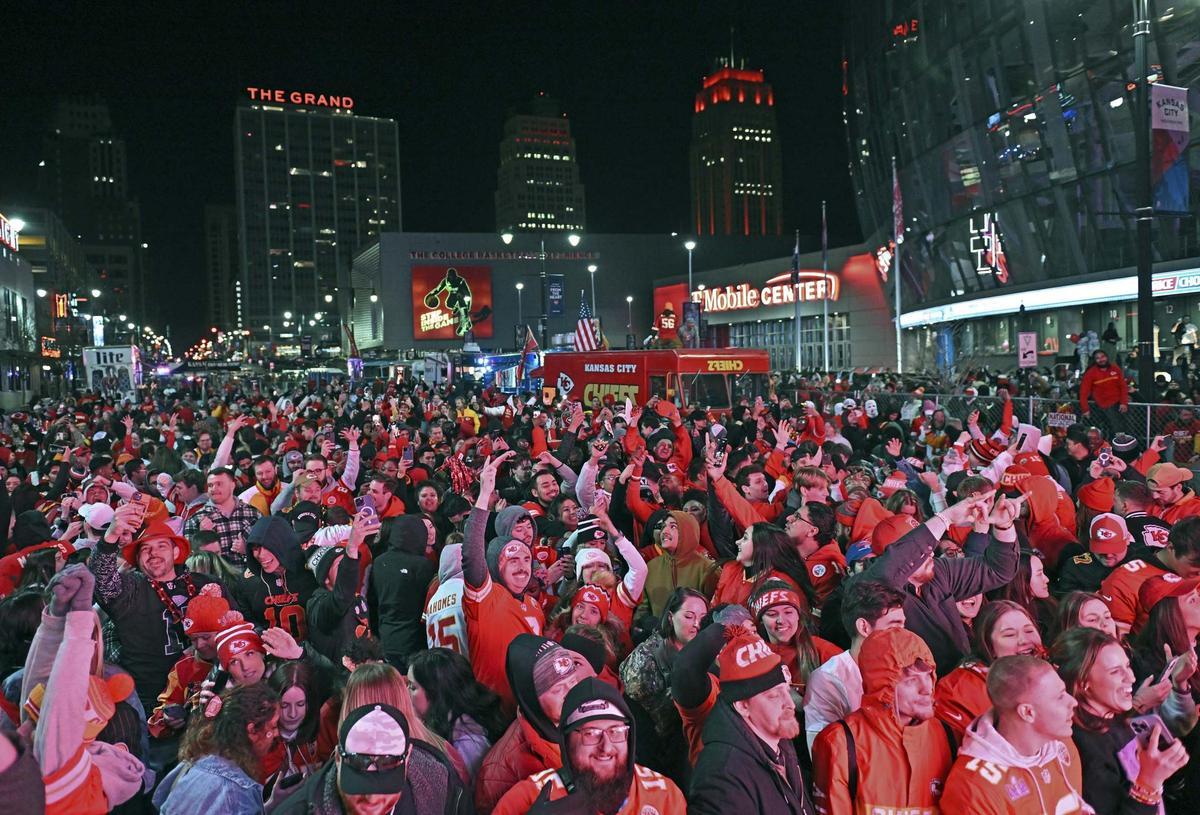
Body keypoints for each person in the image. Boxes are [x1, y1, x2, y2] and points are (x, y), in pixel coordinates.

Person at [855, 491, 1021, 675]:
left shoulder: (938, 570)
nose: (931, 553)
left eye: (930, 547)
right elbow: (883, 575)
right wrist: (945, 518)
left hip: (964, 680)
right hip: (921, 693)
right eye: (921, 551)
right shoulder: (872, 589)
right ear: (899, 558)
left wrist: (1004, 526)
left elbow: (998, 570)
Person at [89, 507, 221, 714]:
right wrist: (111, 536)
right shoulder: (129, 588)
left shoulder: (206, 583)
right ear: (138, 559)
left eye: (161, 546)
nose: (154, 553)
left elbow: (238, 626)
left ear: (176, 552)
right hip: (146, 700)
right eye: (145, 549)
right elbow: (102, 582)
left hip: (208, 692)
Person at [811, 628, 954, 814]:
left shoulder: (946, 736)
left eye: (928, 675)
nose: (926, 688)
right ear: (882, 686)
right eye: (911, 680)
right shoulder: (839, 743)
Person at [491, 678, 685, 814]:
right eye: (590, 733)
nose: (606, 748)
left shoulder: (665, 795)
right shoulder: (526, 798)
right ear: (567, 743)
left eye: (616, 731)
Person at [1050, 626, 1191, 814]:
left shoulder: (1117, 718)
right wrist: (1148, 784)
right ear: (1083, 683)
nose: (1131, 677)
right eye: (1115, 671)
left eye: (1127, 666)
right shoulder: (1081, 749)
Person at [688, 627, 816, 814]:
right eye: (773, 696)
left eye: (786, 690)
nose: (789, 703)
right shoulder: (722, 778)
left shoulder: (777, 735)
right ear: (742, 706)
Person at [940, 655, 1089, 813]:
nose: (1073, 702)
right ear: (1027, 712)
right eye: (1059, 697)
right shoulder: (972, 788)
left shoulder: (1062, 745)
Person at [276, 701, 470, 815]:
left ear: (407, 758)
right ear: (338, 758)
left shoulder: (444, 789)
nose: (371, 799)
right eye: (358, 784)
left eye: (386, 765)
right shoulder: (296, 810)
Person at [462, 453, 546, 710]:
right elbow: (470, 556)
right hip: (494, 713)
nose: (522, 565)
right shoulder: (486, 598)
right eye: (512, 560)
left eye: (525, 558)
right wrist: (484, 496)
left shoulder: (534, 605)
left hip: (531, 710)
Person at [475, 635, 595, 814]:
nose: (571, 694)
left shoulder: (587, 716)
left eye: (572, 682)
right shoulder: (497, 773)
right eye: (557, 689)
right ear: (531, 699)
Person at [803, 579, 907, 751]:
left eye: (903, 624)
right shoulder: (828, 680)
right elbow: (823, 754)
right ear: (864, 627)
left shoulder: (909, 667)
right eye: (894, 626)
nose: (904, 634)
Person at [619, 587, 708, 783]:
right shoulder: (645, 662)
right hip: (658, 754)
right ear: (670, 617)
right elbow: (647, 726)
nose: (696, 624)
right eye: (689, 616)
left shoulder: (701, 650)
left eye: (702, 617)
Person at [154, 683, 280, 814]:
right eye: (274, 726)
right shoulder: (239, 791)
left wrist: (272, 804)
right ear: (252, 731)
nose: (276, 733)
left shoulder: (192, 763)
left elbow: (161, 802)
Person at [935, 600, 1043, 738]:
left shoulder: (1047, 674)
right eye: (1009, 634)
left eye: (1029, 630)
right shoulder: (959, 689)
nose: (1024, 640)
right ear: (988, 645)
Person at [406, 647, 509, 786]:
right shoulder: (447, 721)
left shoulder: (467, 743)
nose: (406, 693)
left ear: (436, 693)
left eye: (412, 687)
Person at [369, 514, 436, 669]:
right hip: (414, 642)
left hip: (386, 640)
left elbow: (373, 602)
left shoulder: (379, 562)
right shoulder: (423, 565)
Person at [1080, 350, 1130, 437]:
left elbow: (1123, 387)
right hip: (1100, 407)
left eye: (1102, 356)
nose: (1101, 359)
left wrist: (1123, 403)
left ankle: (1120, 446)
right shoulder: (1090, 373)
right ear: (1095, 360)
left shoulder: (1115, 369)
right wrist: (1085, 409)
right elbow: (1083, 392)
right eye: (1098, 358)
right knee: (1105, 432)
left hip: (1117, 406)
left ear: (1107, 357)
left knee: (1121, 430)